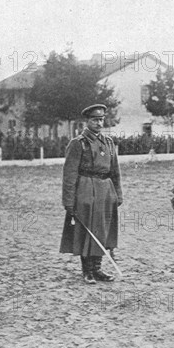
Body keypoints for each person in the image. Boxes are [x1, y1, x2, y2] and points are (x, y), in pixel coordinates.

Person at [60, 104, 123, 284]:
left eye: (101, 119)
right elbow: (69, 174)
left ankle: (98, 268)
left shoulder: (109, 142)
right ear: (87, 121)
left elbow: (115, 170)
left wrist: (118, 194)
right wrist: (69, 202)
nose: (99, 123)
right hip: (86, 189)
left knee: (102, 230)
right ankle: (87, 271)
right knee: (86, 230)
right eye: (95, 119)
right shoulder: (78, 143)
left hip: (106, 190)